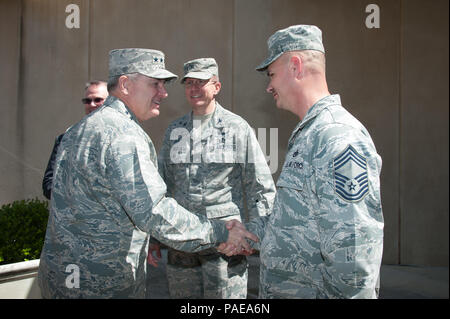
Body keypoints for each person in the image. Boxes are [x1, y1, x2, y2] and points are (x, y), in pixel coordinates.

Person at [37, 48, 257, 299]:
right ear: (125, 84)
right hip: (101, 284)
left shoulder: (78, 129)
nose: (163, 93)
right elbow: (153, 210)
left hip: (62, 279)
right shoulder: (123, 135)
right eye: (155, 84)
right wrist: (220, 233)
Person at [219, 25, 384, 299]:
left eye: (271, 74)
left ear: (295, 66)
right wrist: (250, 233)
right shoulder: (311, 133)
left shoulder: (337, 137)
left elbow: (353, 257)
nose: (269, 86)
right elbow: (298, 220)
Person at [148, 58, 276, 298]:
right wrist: (155, 238)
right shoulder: (175, 130)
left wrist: (255, 236)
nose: (194, 89)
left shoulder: (237, 128)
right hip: (182, 245)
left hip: (226, 244)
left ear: (217, 86)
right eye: (189, 83)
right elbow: (160, 185)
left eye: (201, 82)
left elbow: (260, 187)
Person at [42, 81, 108, 200]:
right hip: (72, 216)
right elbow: (48, 184)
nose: (92, 104)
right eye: (87, 101)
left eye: (98, 100)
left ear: (110, 102)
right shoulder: (66, 138)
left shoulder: (120, 138)